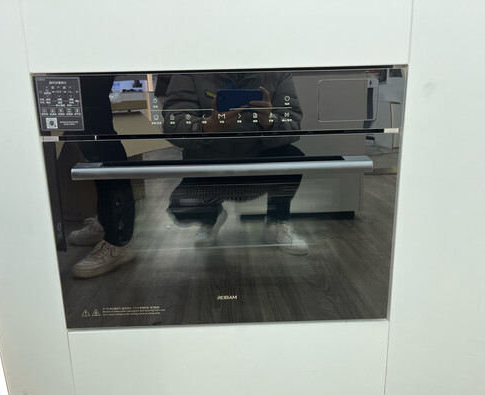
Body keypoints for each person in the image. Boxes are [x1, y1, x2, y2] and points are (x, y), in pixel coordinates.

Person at [162, 72, 308, 255]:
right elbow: (173, 124)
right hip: (211, 168)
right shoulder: (190, 71)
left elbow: (293, 123)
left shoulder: (277, 72)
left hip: (255, 164)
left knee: (292, 158)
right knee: (181, 208)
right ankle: (211, 216)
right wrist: (208, 126)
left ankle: (277, 222)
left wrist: (270, 122)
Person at [65, 76, 136, 278]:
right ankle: (106, 225)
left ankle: (117, 240)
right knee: (88, 135)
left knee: (99, 132)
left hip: (86, 65)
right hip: (74, 66)